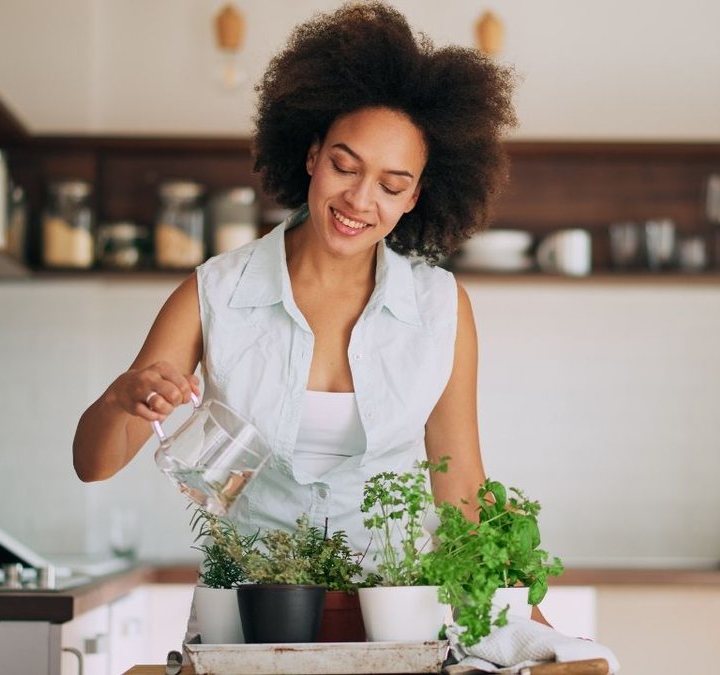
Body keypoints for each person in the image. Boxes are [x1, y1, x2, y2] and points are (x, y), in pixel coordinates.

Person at [72, 2, 514, 570]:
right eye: (344, 166)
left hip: (393, 614)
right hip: (248, 613)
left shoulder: (441, 308)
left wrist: (522, 619)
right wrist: (120, 398)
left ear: (414, 198)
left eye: (391, 184)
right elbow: (95, 465)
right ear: (312, 156)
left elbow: (461, 490)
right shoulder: (214, 292)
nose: (358, 199)